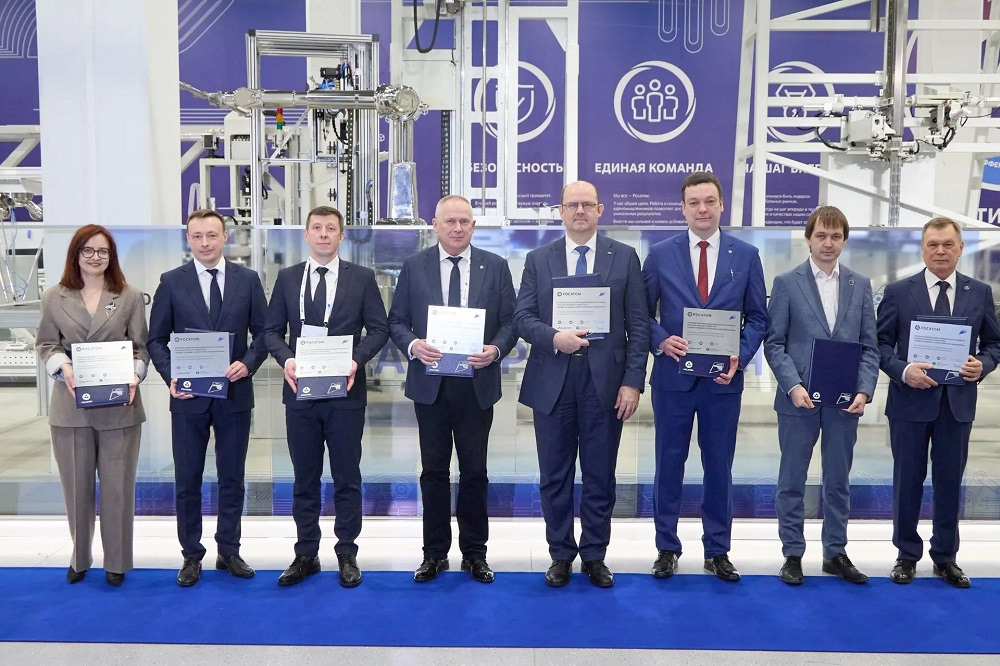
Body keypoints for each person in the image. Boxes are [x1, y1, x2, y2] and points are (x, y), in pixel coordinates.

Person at [513, 180, 649, 588]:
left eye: (587, 204)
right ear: (561, 211)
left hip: (605, 384)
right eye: (572, 205)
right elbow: (522, 318)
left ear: (600, 210)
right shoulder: (538, 259)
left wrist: (633, 382)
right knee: (554, 475)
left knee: (600, 475)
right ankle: (560, 554)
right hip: (553, 380)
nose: (580, 212)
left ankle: (594, 555)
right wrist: (555, 337)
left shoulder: (624, 257)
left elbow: (638, 325)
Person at [643, 171, 768, 582]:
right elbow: (640, 314)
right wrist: (661, 340)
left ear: (721, 205)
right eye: (694, 202)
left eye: (709, 201)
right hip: (673, 380)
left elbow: (758, 318)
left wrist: (740, 356)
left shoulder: (746, 256)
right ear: (682, 208)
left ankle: (717, 550)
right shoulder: (659, 254)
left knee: (719, 467)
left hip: (722, 382)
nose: (702, 209)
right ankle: (666, 548)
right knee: (668, 465)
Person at [388, 195, 517, 584]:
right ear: (435, 225)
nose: (458, 228)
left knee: (475, 472)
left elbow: (511, 322)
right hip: (431, 387)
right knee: (433, 472)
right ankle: (434, 554)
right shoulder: (415, 266)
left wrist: (496, 349)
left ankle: (475, 554)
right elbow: (397, 321)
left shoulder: (495, 266)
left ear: (473, 225)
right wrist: (414, 345)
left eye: (464, 221)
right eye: (450, 221)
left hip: (477, 386)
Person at [264, 205, 389, 588]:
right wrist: (287, 360)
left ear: (341, 235)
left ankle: (347, 553)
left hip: (345, 395)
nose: (323, 234)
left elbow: (379, 329)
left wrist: (355, 360)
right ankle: (306, 554)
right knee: (305, 478)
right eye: (316, 228)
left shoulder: (362, 278)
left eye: (330, 228)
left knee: (347, 477)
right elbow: (271, 332)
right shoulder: (287, 278)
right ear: (306, 234)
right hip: (300, 394)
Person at [876, 217, 1000, 588]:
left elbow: (994, 344)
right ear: (922, 249)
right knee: (907, 482)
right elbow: (880, 345)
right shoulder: (898, 291)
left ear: (960, 248)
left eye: (948, 244)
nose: (940, 251)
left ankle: (945, 558)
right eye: (933, 244)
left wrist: (983, 365)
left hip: (956, 405)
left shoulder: (980, 292)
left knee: (949, 483)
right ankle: (906, 555)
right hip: (909, 402)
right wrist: (903, 370)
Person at [147, 209, 268, 587]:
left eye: (212, 235)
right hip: (188, 397)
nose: (205, 243)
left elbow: (264, 334)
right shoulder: (171, 282)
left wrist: (248, 363)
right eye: (197, 236)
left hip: (234, 394)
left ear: (225, 237)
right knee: (188, 479)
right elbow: (156, 339)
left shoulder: (248, 280)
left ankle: (229, 550)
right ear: (188, 239)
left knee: (232, 478)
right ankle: (191, 554)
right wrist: (172, 375)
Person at [763, 206, 879, 585]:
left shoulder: (860, 285)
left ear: (844, 240)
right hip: (799, 399)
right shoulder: (786, 283)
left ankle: (835, 553)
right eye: (821, 236)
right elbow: (774, 343)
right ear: (808, 239)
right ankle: (792, 554)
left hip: (844, 401)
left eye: (836, 236)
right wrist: (793, 386)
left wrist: (864, 389)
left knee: (838, 480)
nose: (828, 243)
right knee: (792, 479)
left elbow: (870, 346)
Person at [35, 224, 148, 587]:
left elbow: (141, 347)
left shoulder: (129, 296)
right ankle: (79, 558)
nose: (95, 257)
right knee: (76, 490)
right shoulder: (54, 297)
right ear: (76, 254)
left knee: (118, 490)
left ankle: (117, 562)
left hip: (120, 407)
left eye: (102, 251)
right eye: (88, 250)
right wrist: (64, 367)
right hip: (71, 407)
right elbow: (46, 344)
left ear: (111, 256)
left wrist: (135, 374)